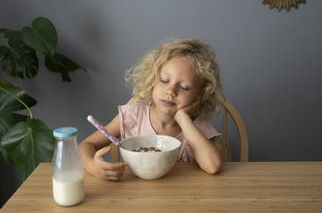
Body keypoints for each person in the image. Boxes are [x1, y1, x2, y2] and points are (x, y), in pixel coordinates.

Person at [79, 38, 223, 181]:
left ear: (199, 97)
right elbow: (86, 145)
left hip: (182, 198)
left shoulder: (197, 128)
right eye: (164, 80)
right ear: (152, 80)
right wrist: (91, 165)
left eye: (184, 87)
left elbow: (213, 166)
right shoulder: (133, 117)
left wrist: (183, 118)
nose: (170, 90)